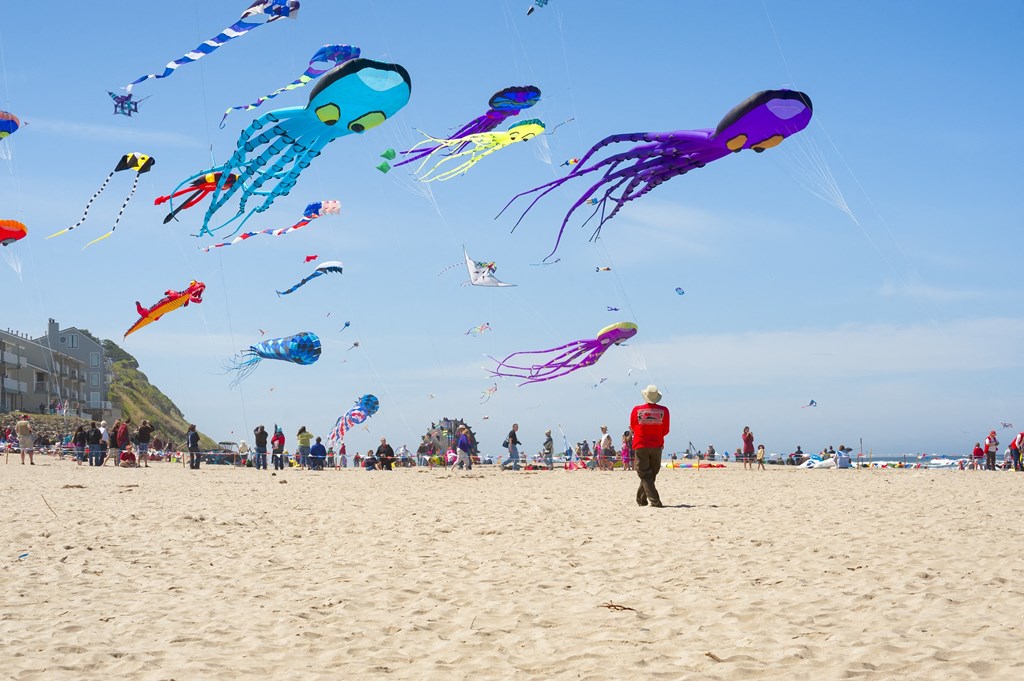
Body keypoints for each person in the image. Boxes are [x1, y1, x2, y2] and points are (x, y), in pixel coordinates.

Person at [631, 385, 670, 507]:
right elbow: (666, 430)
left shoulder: (637, 410)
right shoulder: (664, 411)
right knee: (648, 473)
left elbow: (633, 427)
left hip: (641, 445)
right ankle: (655, 501)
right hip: (656, 445)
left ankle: (641, 499)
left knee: (648, 473)